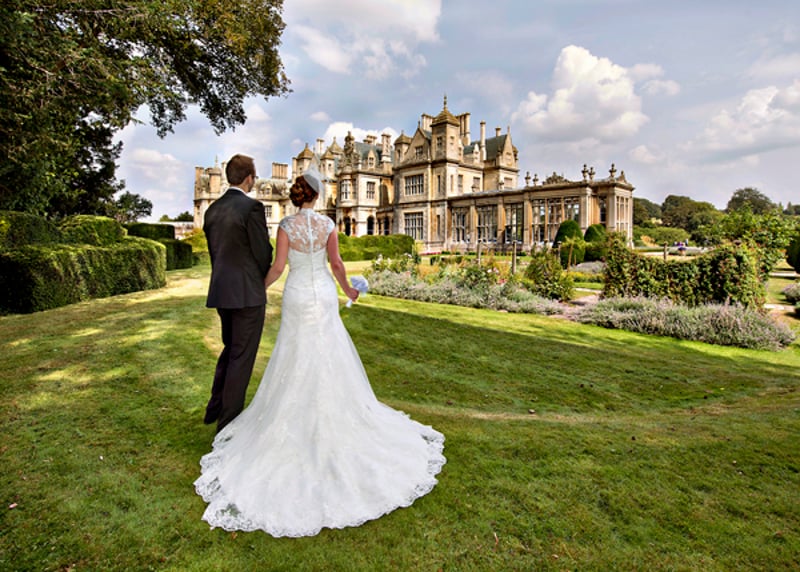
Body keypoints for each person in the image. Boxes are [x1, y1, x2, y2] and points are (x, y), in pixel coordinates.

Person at [194, 166, 445, 537]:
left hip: (297, 296)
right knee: (329, 353)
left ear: (297, 195)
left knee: (294, 355)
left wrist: (259, 288)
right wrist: (348, 290)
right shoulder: (328, 226)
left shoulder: (285, 227)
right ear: (317, 195)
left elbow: (278, 267)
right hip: (324, 296)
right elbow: (337, 265)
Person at [202, 154, 273, 432]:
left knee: (230, 349)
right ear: (249, 178)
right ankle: (227, 426)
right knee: (241, 358)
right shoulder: (251, 207)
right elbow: (262, 253)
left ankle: (214, 407)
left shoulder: (212, 210)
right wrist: (259, 279)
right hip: (247, 294)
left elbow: (216, 253)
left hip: (222, 291)